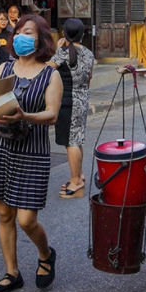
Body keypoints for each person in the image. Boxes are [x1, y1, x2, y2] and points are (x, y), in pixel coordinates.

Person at [0, 14, 64, 292]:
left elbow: (51, 115)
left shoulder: (51, 74)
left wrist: (25, 116)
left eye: (29, 32)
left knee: (27, 219)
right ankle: (12, 272)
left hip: (33, 151)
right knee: (4, 214)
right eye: (19, 32)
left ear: (41, 39)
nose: (22, 36)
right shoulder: (4, 68)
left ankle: (45, 254)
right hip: (4, 148)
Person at [49, 18, 95, 199]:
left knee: (72, 142)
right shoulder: (89, 53)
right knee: (77, 139)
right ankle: (79, 175)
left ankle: (76, 180)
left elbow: (46, 72)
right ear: (82, 35)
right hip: (82, 99)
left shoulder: (61, 53)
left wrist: (58, 48)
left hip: (67, 101)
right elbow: (89, 77)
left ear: (63, 34)